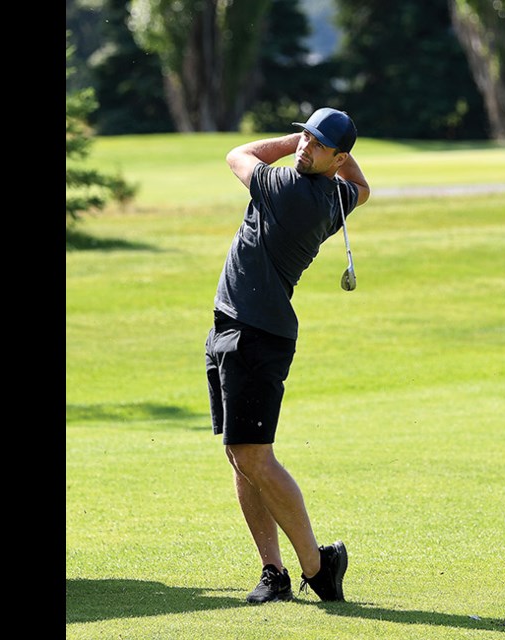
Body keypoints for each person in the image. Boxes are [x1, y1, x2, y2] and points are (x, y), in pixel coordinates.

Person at [204, 107, 370, 604]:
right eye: (304, 137)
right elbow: (362, 188)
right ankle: (273, 573)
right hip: (232, 326)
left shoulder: (290, 191)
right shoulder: (335, 195)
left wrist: (287, 143)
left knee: (255, 456)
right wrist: (331, 155)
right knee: (240, 456)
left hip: (256, 335)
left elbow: (239, 154)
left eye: (318, 145)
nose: (303, 147)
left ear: (336, 156)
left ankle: (319, 567)